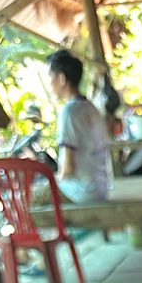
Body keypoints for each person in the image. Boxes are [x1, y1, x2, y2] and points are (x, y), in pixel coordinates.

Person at [47, 49, 111, 203]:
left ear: (61, 79)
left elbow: (67, 168)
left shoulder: (69, 112)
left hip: (80, 192)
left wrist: (55, 181)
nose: (50, 85)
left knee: (29, 198)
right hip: (101, 189)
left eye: (51, 78)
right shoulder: (90, 107)